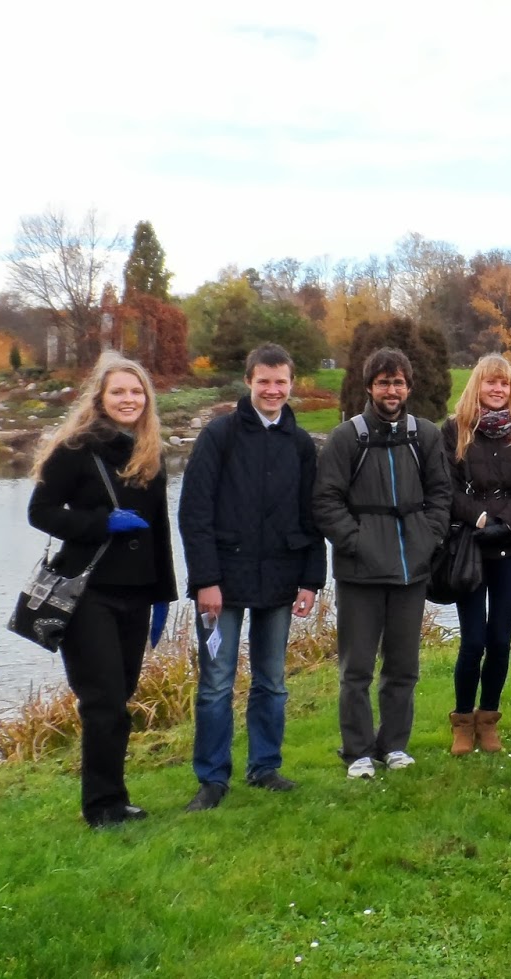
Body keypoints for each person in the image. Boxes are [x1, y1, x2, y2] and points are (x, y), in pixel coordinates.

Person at [27, 352, 177, 828]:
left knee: (122, 695)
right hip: (87, 592)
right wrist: (100, 522)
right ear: (100, 397)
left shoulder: (149, 451)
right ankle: (101, 807)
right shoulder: (75, 448)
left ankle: (115, 798)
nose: (128, 399)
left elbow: (159, 529)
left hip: (137, 592)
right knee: (103, 700)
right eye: (119, 392)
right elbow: (40, 511)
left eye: (136, 392)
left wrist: (163, 595)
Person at [177, 343, 325, 811]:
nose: (273, 390)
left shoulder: (300, 444)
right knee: (216, 682)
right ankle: (212, 778)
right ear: (249, 382)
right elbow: (194, 512)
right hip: (222, 581)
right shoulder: (219, 435)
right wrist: (205, 579)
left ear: (291, 384)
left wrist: (311, 581)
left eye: (281, 382)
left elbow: (312, 516)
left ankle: (264, 766)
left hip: (280, 578)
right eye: (264, 381)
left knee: (272, 681)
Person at [313, 347, 452, 780]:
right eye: (383, 382)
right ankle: (357, 750)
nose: (391, 391)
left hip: (411, 568)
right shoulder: (346, 438)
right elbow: (326, 500)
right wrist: (356, 541)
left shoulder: (424, 435)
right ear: (370, 387)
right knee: (356, 668)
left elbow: (441, 494)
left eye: (398, 383)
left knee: (403, 666)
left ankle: (394, 744)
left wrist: (428, 537)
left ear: (408, 387)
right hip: (360, 571)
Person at [441, 354, 511, 756]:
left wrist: (508, 522)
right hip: (470, 544)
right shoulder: (454, 430)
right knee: (473, 640)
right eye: (490, 382)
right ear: (477, 385)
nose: (497, 389)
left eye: (504, 383)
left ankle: (488, 719)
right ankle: (462, 721)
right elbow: (446, 487)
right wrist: (481, 519)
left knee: (500, 638)